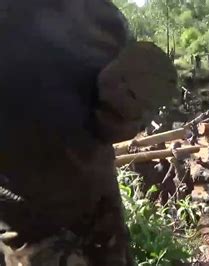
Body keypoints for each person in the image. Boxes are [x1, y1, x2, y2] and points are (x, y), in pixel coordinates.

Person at [0, 1, 177, 265]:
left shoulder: (105, 20)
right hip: (52, 218)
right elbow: (126, 122)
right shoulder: (106, 19)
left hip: (74, 215)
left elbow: (127, 117)